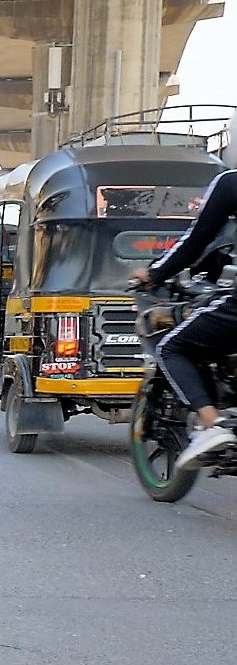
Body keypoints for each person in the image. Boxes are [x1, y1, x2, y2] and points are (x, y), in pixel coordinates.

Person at [128, 168, 237, 469]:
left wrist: (154, 274)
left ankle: (211, 425)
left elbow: (196, 240)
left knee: (171, 348)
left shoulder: (230, 182)